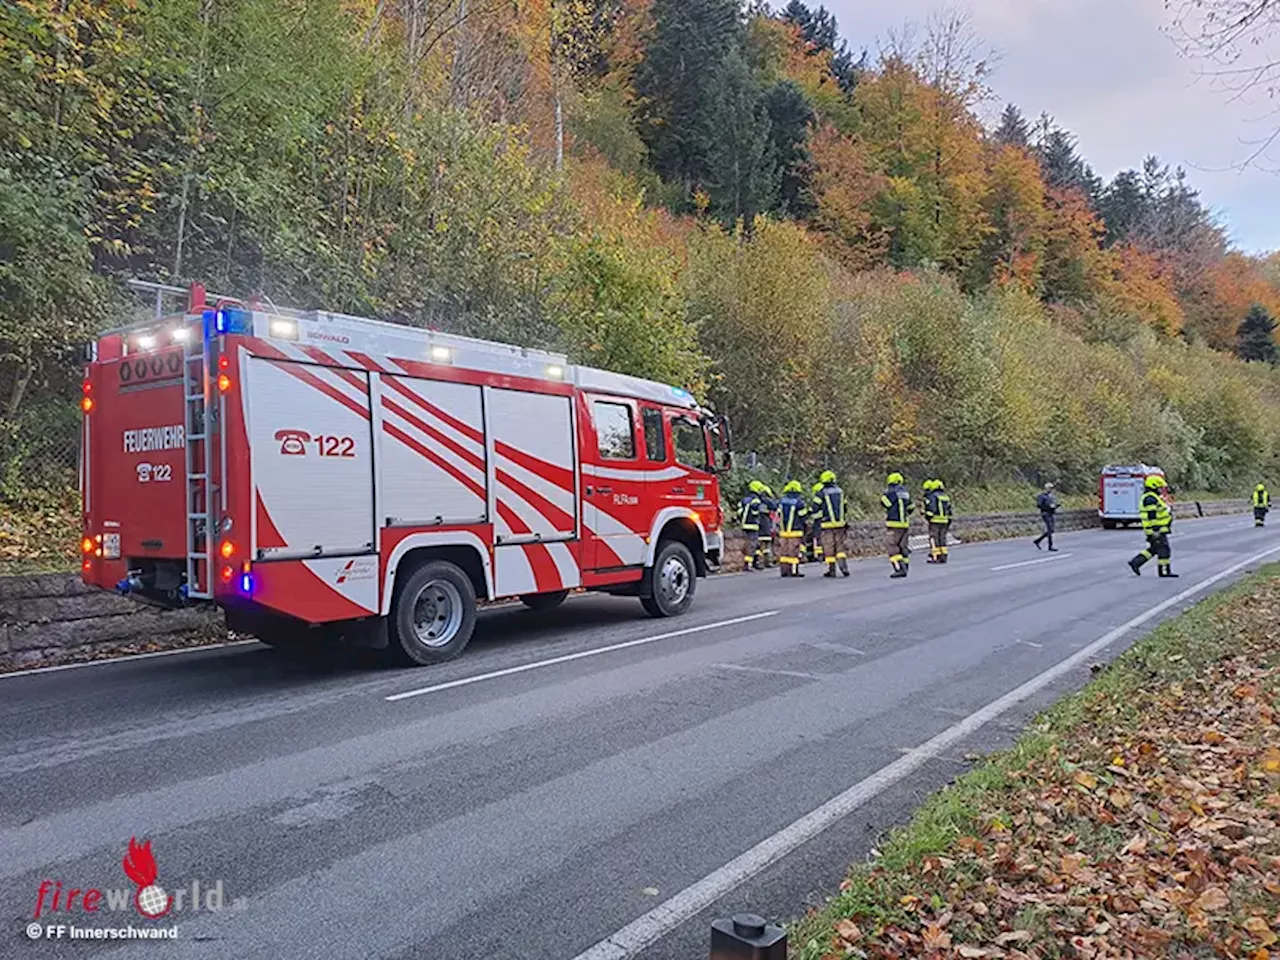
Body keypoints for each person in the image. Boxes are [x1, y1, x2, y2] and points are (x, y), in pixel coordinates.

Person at [1128, 474, 1177, 578]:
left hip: (1157, 530)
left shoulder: (1153, 497)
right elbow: (1152, 516)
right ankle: (1164, 571)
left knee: (1154, 549)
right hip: (1156, 530)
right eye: (1159, 487)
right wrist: (1155, 530)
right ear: (1154, 486)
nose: (1160, 490)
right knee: (1164, 550)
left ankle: (1135, 562)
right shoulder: (1150, 498)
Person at [815, 469, 850, 578]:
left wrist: (817, 519)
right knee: (840, 546)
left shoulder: (821, 493)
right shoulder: (840, 492)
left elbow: (815, 508)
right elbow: (845, 507)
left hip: (827, 524)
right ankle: (844, 567)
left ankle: (832, 570)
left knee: (829, 546)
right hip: (840, 524)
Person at [882, 472, 913, 578]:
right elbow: (911, 507)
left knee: (892, 546)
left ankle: (899, 568)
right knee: (903, 546)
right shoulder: (905, 493)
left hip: (893, 524)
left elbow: (885, 503)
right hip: (904, 524)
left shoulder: (890, 492)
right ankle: (905, 565)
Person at [776, 481, 809, 577]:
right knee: (794, 551)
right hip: (795, 531)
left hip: (783, 531)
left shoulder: (781, 501)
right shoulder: (799, 502)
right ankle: (794, 571)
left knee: (784, 552)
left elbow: (778, 515)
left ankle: (784, 571)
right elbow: (803, 517)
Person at [924, 479, 954, 563]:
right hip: (945, 521)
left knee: (934, 538)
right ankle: (943, 556)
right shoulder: (945, 496)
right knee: (942, 538)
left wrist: (928, 517)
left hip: (935, 521)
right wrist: (949, 520)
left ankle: (936, 556)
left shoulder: (933, 496)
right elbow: (949, 510)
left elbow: (931, 509)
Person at [738, 481, 766, 571]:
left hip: (744, 524)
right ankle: (748, 564)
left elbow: (739, 511)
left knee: (753, 544)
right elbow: (756, 512)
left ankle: (755, 562)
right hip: (753, 525)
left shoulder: (745, 499)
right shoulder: (756, 500)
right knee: (752, 544)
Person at [1033, 482, 1059, 552]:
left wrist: (1055, 506)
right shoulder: (1042, 496)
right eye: (1050, 488)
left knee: (1051, 530)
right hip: (1045, 514)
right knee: (1050, 530)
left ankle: (1037, 541)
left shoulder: (1051, 496)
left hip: (1051, 514)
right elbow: (1039, 505)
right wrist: (1048, 507)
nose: (1051, 489)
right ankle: (1050, 546)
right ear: (1046, 488)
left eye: (1052, 488)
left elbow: (1053, 504)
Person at [806, 481, 826, 564]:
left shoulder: (819, 496)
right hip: (829, 521)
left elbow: (814, 508)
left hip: (819, 521)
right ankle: (825, 554)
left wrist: (808, 513)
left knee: (818, 537)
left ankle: (819, 555)